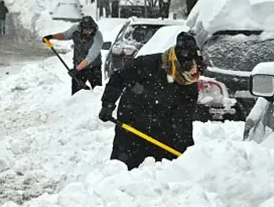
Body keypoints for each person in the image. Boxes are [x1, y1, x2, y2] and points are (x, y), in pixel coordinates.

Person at [98, 32, 205, 170]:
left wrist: (186, 152)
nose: (191, 75)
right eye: (188, 71)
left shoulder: (189, 85)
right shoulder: (147, 64)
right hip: (132, 127)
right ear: (176, 63)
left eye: (194, 72)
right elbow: (118, 78)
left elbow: (183, 119)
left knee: (161, 177)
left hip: (163, 133)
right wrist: (108, 103)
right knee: (122, 171)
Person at [43, 16, 104, 95]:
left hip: (94, 67)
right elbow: (65, 35)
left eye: (90, 30)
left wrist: (77, 69)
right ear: (81, 28)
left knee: (97, 93)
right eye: (86, 30)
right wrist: (51, 37)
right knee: (76, 94)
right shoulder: (75, 29)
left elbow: (90, 57)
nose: (88, 32)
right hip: (78, 65)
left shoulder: (98, 36)